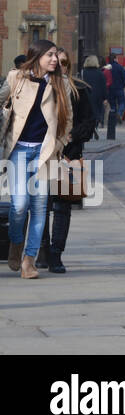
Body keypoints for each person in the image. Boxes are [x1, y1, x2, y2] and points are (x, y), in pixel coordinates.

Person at [0, 40, 73, 279]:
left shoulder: (60, 83)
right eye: (50, 55)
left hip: (45, 153)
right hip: (19, 150)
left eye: (56, 55)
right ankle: (15, 243)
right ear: (37, 56)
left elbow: (68, 119)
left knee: (40, 208)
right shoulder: (16, 78)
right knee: (20, 205)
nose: (54, 59)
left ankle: (29, 262)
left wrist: (59, 145)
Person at [36, 50, 98, 274]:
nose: (58, 65)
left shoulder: (78, 90)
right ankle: (42, 251)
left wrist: (71, 138)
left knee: (62, 206)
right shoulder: (39, 87)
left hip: (68, 155)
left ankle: (56, 254)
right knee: (41, 206)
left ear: (68, 66)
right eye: (55, 61)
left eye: (63, 62)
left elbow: (89, 121)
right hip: (43, 155)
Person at [80, 55, 108, 131]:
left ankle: (89, 128)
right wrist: (105, 98)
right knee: (96, 113)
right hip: (97, 96)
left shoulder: (83, 72)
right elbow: (103, 87)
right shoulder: (100, 73)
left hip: (86, 95)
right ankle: (94, 127)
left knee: (87, 112)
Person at [105, 54, 125, 122]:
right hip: (119, 88)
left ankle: (114, 119)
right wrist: (122, 85)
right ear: (115, 59)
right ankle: (119, 113)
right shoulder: (120, 67)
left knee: (113, 105)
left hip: (110, 89)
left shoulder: (106, 68)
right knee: (122, 103)